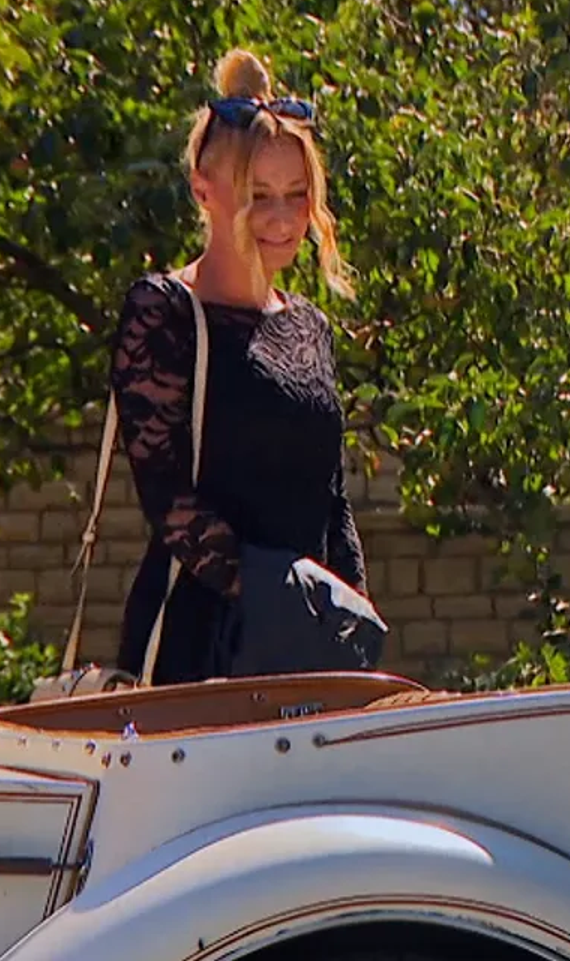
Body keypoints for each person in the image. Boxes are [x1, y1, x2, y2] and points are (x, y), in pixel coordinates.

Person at [109, 48, 371, 684]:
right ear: (204, 189)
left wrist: (350, 621)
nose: (282, 219)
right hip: (197, 651)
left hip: (302, 650)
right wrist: (281, 600)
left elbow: (331, 500)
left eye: (297, 195)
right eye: (258, 196)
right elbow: (169, 502)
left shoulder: (309, 325)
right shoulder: (165, 312)